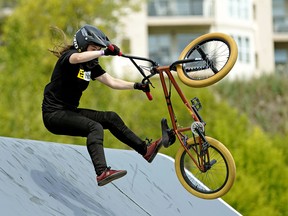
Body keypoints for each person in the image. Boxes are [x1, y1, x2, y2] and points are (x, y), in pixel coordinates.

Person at [42, 24, 165, 186]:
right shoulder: (70, 57)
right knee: (94, 127)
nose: (95, 53)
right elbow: (77, 58)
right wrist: (104, 51)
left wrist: (136, 86)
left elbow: (112, 82)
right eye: (93, 48)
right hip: (54, 115)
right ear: (83, 45)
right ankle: (102, 172)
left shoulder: (90, 65)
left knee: (110, 118)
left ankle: (145, 150)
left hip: (70, 111)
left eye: (98, 49)